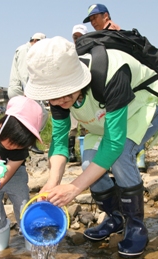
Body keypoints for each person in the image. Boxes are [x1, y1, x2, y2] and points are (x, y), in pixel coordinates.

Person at [25, 37, 158, 258]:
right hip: (101, 121)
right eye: (52, 97)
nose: (59, 101)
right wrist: (52, 182)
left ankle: (135, 225)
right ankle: (115, 218)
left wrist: (74, 189)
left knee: (120, 157)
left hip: (142, 108)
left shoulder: (111, 71)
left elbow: (113, 144)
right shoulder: (57, 98)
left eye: (64, 94)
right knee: (88, 165)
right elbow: (60, 140)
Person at [0, 96, 43, 251]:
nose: (14, 147)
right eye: (12, 142)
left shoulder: (21, 150)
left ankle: (28, 237)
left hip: (13, 175)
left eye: (20, 145)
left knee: (23, 205)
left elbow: (6, 176)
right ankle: (0, 238)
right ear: (2, 125)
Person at [8, 32, 49, 154]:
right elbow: (24, 73)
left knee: (21, 120)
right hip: (21, 90)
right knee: (41, 113)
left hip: (22, 90)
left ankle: (23, 143)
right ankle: (30, 142)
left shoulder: (27, 50)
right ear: (35, 41)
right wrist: (29, 91)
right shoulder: (24, 50)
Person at [69, 24, 89, 162]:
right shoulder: (69, 52)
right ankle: (71, 151)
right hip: (72, 92)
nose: (78, 39)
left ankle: (87, 152)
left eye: (81, 37)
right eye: (75, 37)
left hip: (87, 93)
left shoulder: (91, 50)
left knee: (87, 125)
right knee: (72, 125)